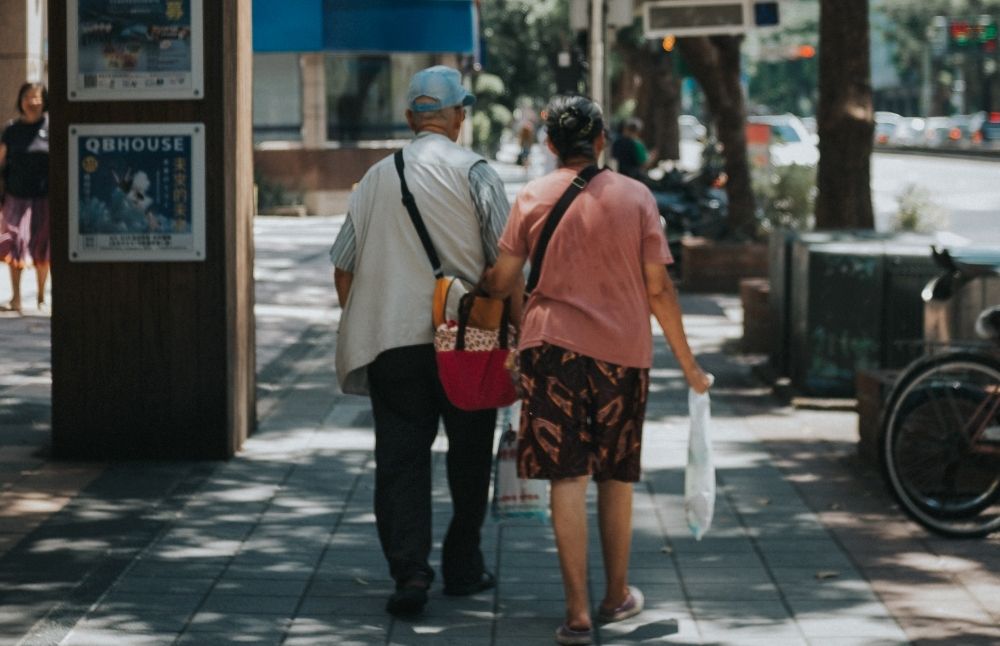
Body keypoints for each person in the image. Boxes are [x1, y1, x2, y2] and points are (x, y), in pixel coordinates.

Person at [482, 95, 711, 645]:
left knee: (567, 476)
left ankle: (578, 613)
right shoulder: (636, 197)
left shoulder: (532, 196)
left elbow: (502, 278)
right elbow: (658, 288)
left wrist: (511, 328)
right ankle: (616, 595)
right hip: (621, 356)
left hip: (550, 351)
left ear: (551, 144)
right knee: (615, 475)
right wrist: (690, 367)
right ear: (602, 140)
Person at [328, 65, 511, 617]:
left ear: (411, 118)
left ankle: (410, 575)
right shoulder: (477, 172)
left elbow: (342, 266)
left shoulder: (375, 178)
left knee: (401, 460)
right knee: (471, 453)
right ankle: (463, 564)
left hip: (393, 345)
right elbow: (505, 267)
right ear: (458, 116)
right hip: (469, 340)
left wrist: (371, 317)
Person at [0, 83, 50, 314]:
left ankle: (41, 296)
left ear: (44, 100)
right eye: (27, 97)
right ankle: (16, 297)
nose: (32, 102)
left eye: (37, 97)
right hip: (15, 195)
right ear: (20, 100)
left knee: (43, 246)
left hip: (44, 197)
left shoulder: (52, 127)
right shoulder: (11, 130)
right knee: (13, 244)